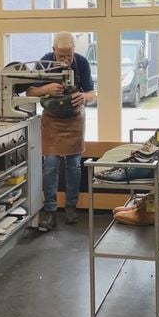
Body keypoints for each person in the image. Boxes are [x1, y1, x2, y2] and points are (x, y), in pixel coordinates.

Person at [27, 32, 96, 231]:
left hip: (74, 119)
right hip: (52, 120)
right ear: (53, 50)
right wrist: (45, 88)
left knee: (74, 166)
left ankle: (71, 207)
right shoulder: (44, 63)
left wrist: (83, 97)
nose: (65, 59)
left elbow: (92, 92)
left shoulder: (81, 63)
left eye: (69, 54)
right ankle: (49, 210)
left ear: (74, 50)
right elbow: (29, 90)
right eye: (61, 55)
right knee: (50, 165)